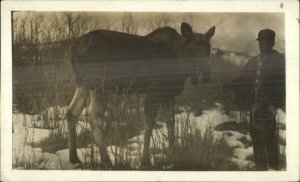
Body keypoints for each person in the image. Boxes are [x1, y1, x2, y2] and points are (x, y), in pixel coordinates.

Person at [234, 29, 286, 170]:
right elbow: (243, 80)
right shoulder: (254, 60)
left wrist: (274, 104)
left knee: (269, 136)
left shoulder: (280, 60)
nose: (262, 44)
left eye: (265, 41)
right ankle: (261, 168)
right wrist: (229, 85)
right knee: (256, 137)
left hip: (269, 107)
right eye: (261, 41)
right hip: (255, 107)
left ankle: (274, 167)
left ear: (272, 42)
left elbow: (283, 84)